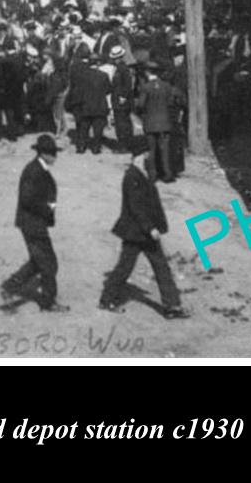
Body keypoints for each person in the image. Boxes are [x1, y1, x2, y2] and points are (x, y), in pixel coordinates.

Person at [98, 137, 189, 318]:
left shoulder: (142, 172)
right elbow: (136, 207)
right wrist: (150, 228)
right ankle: (106, 299)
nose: (148, 156)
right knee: (126, 268)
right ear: (140, 155)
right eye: (146, 153)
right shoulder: (132, 176)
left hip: (141, 232)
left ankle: (172, 306)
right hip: (136, 232)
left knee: (160, 266)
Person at [0, 134, 69, 312]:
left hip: (33, 223)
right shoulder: (34, 170)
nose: (55, 156)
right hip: (32, 224)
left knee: (39, 261)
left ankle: (10, 287)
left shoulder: (39, 168)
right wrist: (47, 208)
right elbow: (27, 199)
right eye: (52, 153)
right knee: (49, 263)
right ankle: (48, 302)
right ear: (43, 154)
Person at [137, 61, 177, 182]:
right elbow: (171, 103)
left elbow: (140, 105)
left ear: (147, 72)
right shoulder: (166, 86)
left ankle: (152, 175)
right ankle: (167, 173)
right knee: (165, 149)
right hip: (165, 122)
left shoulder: (146, 87)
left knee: (151, 149)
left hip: (150, 122)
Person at [110, 45, 134, 152]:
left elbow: (128, 84)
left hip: (121, 100)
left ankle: (124, 145)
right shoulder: (119, 68)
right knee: (121, 122)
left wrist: (123, 96)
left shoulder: (123, 69)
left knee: (122, 123)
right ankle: (125, 143)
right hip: (118, 98)